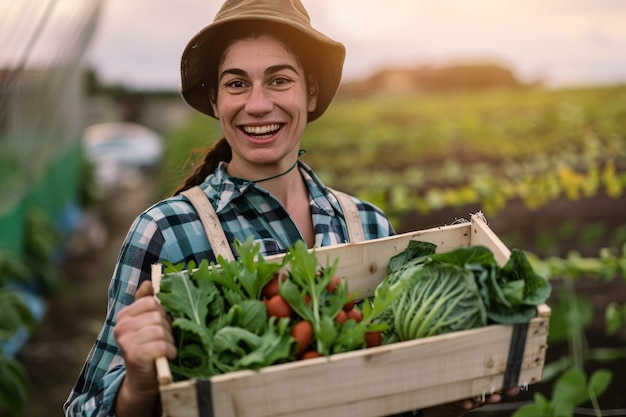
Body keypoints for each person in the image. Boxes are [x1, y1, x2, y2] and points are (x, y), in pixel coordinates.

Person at [64, 0, 519, 416]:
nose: (258, 105)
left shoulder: (367, 224)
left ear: (312, 95)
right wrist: (137, 388)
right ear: (216, 102)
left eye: (279, 80)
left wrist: (449, 390)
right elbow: (82, 408)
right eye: (237, 84)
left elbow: (394, 391)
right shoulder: (166, 232)